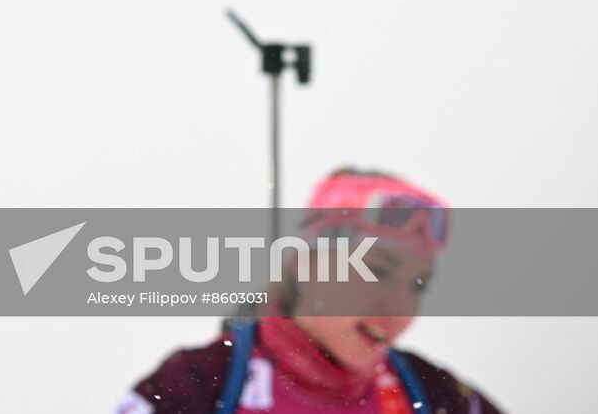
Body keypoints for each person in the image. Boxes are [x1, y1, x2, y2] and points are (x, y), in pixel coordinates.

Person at [114, 168, 505, 414]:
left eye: (418, 285)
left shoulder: (433, 395)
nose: (398, 307)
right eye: (376, 271)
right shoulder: (200, 384)